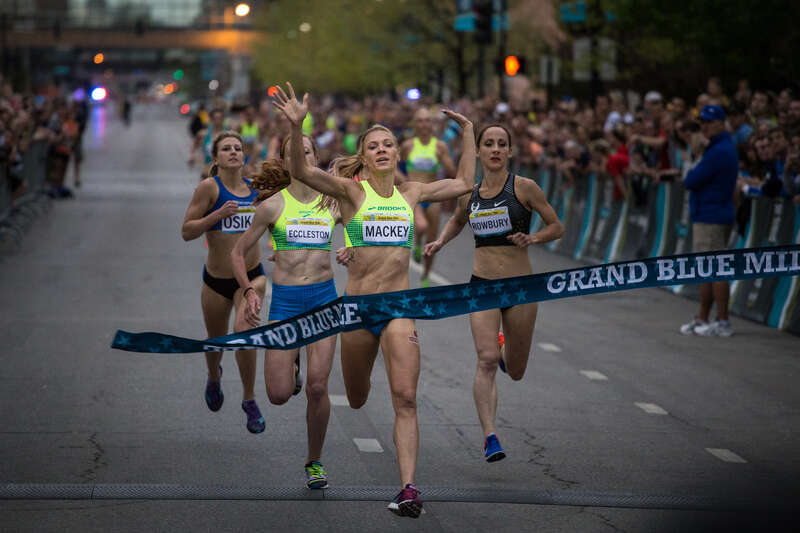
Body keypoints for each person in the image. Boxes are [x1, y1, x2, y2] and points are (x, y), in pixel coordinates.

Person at [272, 82, 475, 519]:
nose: (382, 150)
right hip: (358, 309)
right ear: (363, 157)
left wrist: (470, 134)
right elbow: (305, 174)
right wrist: (295, 128)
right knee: (359, 396)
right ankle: (306, 370)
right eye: (374, 146)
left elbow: (464, 182)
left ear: (397, 153)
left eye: (388, 144)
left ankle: (408, 489)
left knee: (405, 397)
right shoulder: (351, 193)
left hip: (398, 309)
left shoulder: (413, 194)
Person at [424, 123, 563, 463]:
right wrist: (441, 240)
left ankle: (505, 352)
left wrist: (533, 238)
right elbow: (458, 219)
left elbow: (557, 225)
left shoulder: (525, 188)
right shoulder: (470, 193)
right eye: (489, 143)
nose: (496, 149)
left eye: (502, 144)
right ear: (480, 152)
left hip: (520, 287)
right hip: (482, 285)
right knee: (484, 360)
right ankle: (490, 436)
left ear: (510, 152)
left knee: (514, 370)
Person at [230, 134, 340, 490]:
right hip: (287, 303)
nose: (300, 158)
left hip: (323, 301)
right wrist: (249, 290)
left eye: (306, 152)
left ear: (315, 157)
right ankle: (291, 367)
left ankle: (314, 460)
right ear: (285, 161)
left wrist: (352, 250)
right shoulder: (273, 206)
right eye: (293, 153)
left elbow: (360, 232)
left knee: (318, 387)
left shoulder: (333, 202)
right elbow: (238, 252)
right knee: (277, 395)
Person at [181, 131, 286, 433]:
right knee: (215, 341)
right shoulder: (208, 189)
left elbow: (278, 220)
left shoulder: (257, 190)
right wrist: (215, 216)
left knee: (244, 333)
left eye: (237, 148)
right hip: (215, 280)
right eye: (226, 148)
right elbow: (187, 231)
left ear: (244, 155)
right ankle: (214, 376)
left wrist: (279, 247)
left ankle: (250, 399)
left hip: (251, 278)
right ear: (215, 158)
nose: (233, 152)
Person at [679, 105, 739, 337]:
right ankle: (704, 317)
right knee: (708, 268)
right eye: (702, 122)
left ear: (721, 123)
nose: (704, 126)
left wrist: (695, 156)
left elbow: (691, 179)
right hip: (710, 214)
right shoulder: (717, 147)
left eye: (709, 122)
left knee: (715, 268)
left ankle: (722, 321)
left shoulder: (719, 150)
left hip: (711, 216)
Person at [400, 108, 457, 285]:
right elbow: (394, 167)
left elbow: (452, 171)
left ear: (432, 125)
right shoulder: (408, 145)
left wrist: (445, 162)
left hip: (432, 197)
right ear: (414, 124)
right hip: (413, 196)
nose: (424, 124)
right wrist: (403, 181)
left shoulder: (439, 146)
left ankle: (425, 276)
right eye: (420, 121)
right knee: (421, 226)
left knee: (432, 241)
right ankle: (417, 243)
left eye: (427, 121)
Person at [188, 108, 226, 178]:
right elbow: (194, 144)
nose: (217, 121)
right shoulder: (204, 134)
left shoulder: (228, 134)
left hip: (225, 170)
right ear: (211, 119)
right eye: (215, 118)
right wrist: (192, 155)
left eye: (220, 118)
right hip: (208, 168)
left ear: (223, 119)